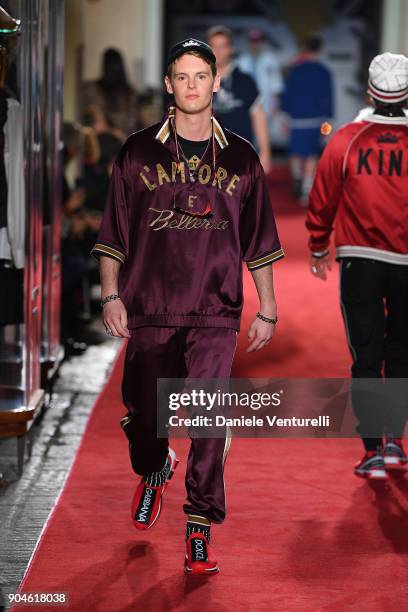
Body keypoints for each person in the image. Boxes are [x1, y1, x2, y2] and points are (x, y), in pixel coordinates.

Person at [91, 38, 284, 574]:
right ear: (169, 84)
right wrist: (111, 293)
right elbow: (113, 232)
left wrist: (266, 306)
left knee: (207, 422)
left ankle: (198, 526)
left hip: (215, 312)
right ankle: (154, 468)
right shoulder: (137, 152)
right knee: (145, 415)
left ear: (216, 83)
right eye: (183, 76)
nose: (193, 86)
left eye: (202, 76)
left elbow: (260, 239)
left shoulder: (242, 157)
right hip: (150, 305)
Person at [306, 52, 408, 480]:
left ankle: (372, 448)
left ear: (369, 91)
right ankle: (395, 444)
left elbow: (323, 195)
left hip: (359, 260)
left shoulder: (347, 139)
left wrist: (316, 245)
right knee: (401, 352)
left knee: (365, 357)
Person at [207, 25, 272, 173]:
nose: (218, 51)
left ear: (231, 49)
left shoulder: (245, 81)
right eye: (213, 46)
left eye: (223, 46)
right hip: (205, 156)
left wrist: (265, 152)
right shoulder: (197, 80)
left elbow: (259, 116)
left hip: (239, 155)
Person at [282, 34, 333, 203]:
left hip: (296, 119)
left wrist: (285, 117)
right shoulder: (324, 72)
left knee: (295, 152)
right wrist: (327, 124)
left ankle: (297, 176)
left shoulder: (295, 70)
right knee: (312, 154)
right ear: (319, 50)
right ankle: (306, 189)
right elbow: (328, 98)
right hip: (316, 119)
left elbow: (287, 96)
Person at [237, 28, 284, 141]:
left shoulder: (270, 60)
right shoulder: (241, 61)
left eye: (257, 41)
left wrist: (275, 106)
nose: (255, 44)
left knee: (262, 139)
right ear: (249, 43)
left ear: (262, 42)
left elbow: (276, 85)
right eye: (252, 41)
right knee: (245, 139)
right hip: (246, 107)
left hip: (265, 106)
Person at [82, 48, 138, 137]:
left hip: (103, 142)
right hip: (123, 142)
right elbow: (131, 123)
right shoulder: (130, 94)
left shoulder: (92, 90)